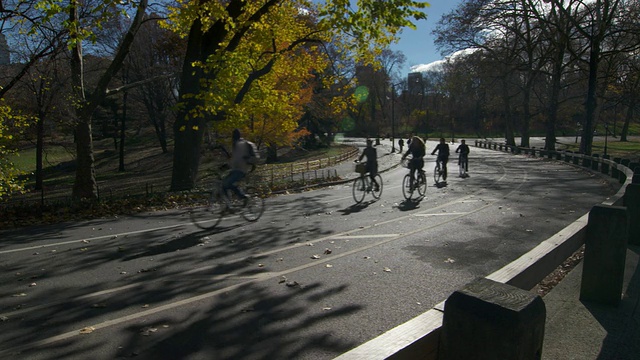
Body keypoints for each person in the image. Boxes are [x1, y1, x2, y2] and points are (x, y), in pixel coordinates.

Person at [222, 129, 255, 204]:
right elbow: (235, 158)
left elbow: (237, 159)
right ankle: (228, 204)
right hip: (237, 169)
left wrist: (227, 166)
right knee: (224, 184)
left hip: (241, 169)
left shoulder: (239, 145)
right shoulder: (238, 144)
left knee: (227, 183)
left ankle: (243, 196)